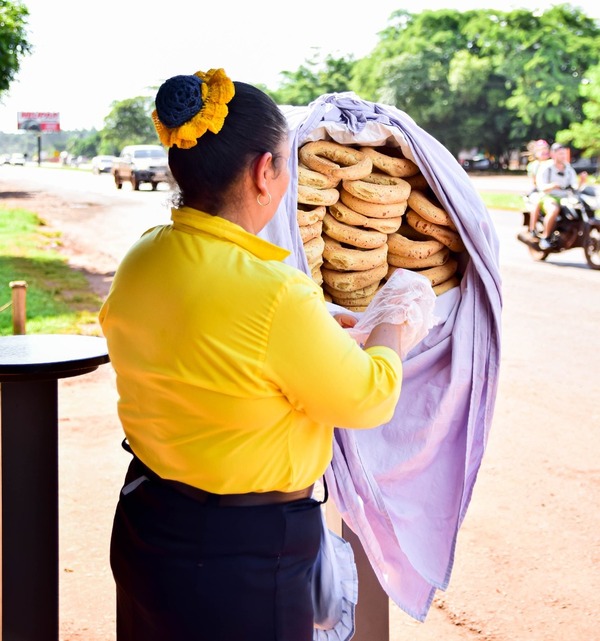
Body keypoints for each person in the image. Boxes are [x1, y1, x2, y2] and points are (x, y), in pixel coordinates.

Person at [98, 68, 405, 641]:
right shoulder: (277, 294)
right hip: (240, 560)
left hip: (148, 529)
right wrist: (393, 327)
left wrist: (309, 331)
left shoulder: (143, 258)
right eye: (287, 165)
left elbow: (208, 349)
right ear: (265, 172)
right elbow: (369, 398)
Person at [536, 142, 587, 250]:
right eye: (560, 154)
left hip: (566, 198)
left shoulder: (568, 169)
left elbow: (574, 187)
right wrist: (552, 186)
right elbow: (541, 186)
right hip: (549, 197)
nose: (563, 156)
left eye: (564, 154)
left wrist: (581, 181)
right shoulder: (547, 167)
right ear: (553, 154)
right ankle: (545, 237)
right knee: (553, 210)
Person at [525, 139, 550, 235]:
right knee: (537, 202)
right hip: (538, 190)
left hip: (549, 190)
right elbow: (535, 182)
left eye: (546, 149)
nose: (544, 152)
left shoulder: (551, 163)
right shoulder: (534, 165)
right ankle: (532, 228)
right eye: (541, 150)